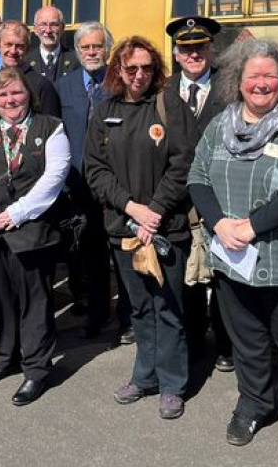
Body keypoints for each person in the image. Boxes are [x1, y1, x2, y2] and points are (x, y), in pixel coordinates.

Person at [187, 38, 278, 460]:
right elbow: (197, 177)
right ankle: (254, 403)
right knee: (247, 340)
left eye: (269, 76)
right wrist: (219, 223)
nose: (261, 83)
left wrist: (251, 225)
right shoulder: (219, 125)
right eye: (254, 76)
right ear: (237, 81)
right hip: (235, 259)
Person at [84, 36, 197, 420]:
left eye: (147, 67)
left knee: (168, 307)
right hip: (124, 227)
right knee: (139, 307)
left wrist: (155, 210)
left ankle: (171, 384)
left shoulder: (169, 106)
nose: (139, 75)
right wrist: (131, 207)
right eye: (131, 68)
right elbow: (95, 170)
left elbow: (184, 163)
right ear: (118, 69)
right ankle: (144, 374)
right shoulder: (106, 111)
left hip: (166, 228)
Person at [0, 67, 71, 406]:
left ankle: (36, 369)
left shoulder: (51, 127)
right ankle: (6, 358)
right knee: (0, 299)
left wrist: (16, 213)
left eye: (16, 92)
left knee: (34, 303)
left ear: (29, 95)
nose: (10, 100)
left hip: (31, 230)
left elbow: (55, 175)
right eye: (2, 94)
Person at [164, 15, 233, 373]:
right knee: (185, 275)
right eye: (186, 48)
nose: (193, 54)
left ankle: (225, 343)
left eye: (200, 47)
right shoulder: (162, 92)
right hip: (177, 199)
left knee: (223, 272)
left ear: (211, 49)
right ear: (176, 53)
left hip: (220, 195)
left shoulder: (229, 88)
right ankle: (192, 339)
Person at [55, 22, 131, 342]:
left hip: (116, 185)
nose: (91, 52)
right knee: (91, 254)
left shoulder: (121, 84)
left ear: (107, 49)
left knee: (123, 255)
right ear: (76, 50)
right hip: (79, 185)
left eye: (97, 46)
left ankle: (127, 318)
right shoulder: (64, 85)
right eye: (85, 47)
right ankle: (97, 313)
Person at [0, 21, 61, 118]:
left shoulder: (41, 85)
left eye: (20, 46)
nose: (13, 51)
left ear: (28, 49)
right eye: (8, 45)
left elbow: (50, 126)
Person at [27, 5, 79, 82]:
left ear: (62, 28)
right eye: (43, 24)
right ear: (35, 29)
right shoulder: (26, 61)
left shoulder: (76, 60)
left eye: (54, 25)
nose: (48, 30)